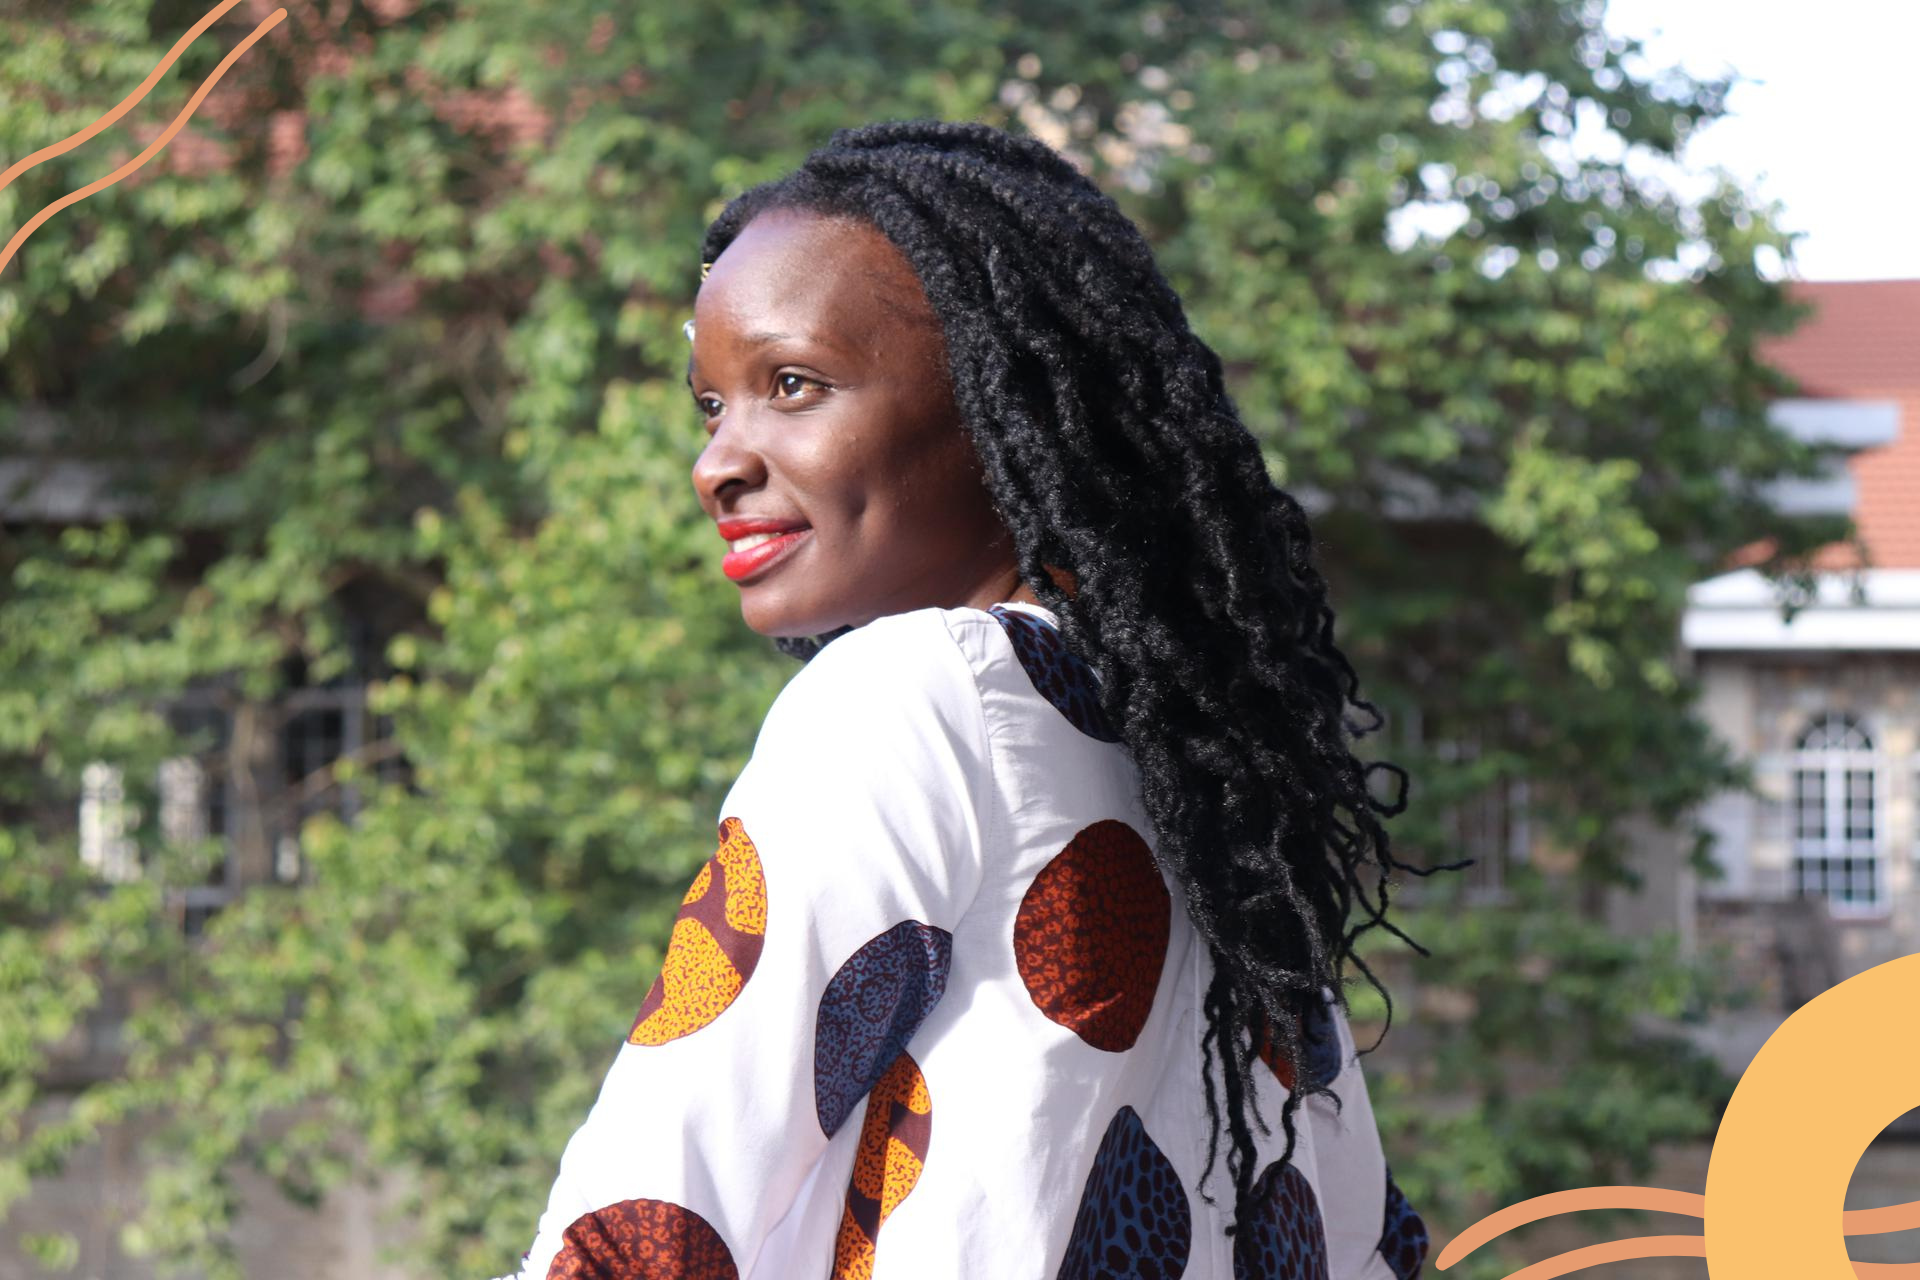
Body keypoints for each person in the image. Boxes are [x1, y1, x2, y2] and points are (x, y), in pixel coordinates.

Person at [505, 119, 1451, 1280]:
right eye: (713, 404)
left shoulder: (912, 696)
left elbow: (655, 1219)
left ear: (999, 405)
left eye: (792, 384)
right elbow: (1360, 1241)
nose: (719, 461)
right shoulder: (1198, 758)